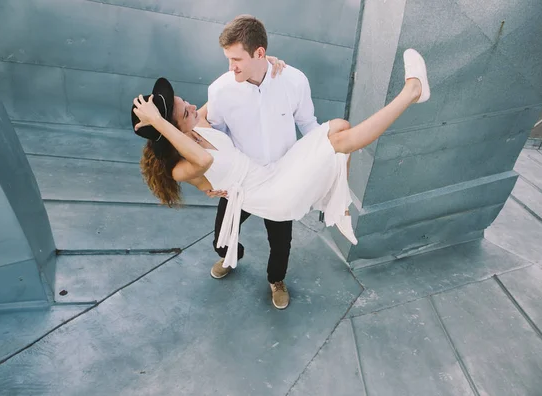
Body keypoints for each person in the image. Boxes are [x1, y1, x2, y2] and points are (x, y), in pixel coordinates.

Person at [131, 49, 431, 308]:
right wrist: (158, 121)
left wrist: (261, 66)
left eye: (187, 103)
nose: (194, 107)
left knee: (339, 127)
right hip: (255, 194)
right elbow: (205, 160)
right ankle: (411, 92)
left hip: (272, 175)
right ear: (173, 130)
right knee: (222, 244)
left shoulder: (198, 123)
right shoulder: (180, 168)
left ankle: (280, 275)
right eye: (185, 111)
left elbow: (225, 89)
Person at [206, 15, 321, 310]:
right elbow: (215, 137)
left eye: (236, 59)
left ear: (260, 53)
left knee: (281, 244)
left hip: (282, 179)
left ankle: (276, 280)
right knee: (220, 238)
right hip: (242, 179)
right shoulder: (220, 90)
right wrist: (216, 180)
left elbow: (308, 124)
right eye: (228, 59)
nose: (231, 67)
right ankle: (231, 255)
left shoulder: (294, 80)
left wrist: (321, 163)